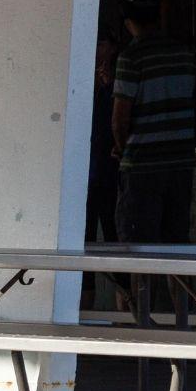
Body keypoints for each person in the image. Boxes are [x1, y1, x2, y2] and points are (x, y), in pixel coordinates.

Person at [111, 0, 196, 243]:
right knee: (177, 245)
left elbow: (119, 120)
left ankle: (143, 288)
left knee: (138, 247)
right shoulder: (184, 54)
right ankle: (182, 287)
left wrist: (122, 147)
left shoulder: (131, 57)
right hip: (181, 162)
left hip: (143, 165)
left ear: (127, 18)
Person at [86, 36, 120, 245]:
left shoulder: (119, 77)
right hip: (91, 165)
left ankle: (121, 277)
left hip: (109, 165)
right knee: (86, 229)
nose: (97, 50)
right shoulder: (85, 76)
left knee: (111, 226)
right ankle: (85, 278)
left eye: (101, 44)